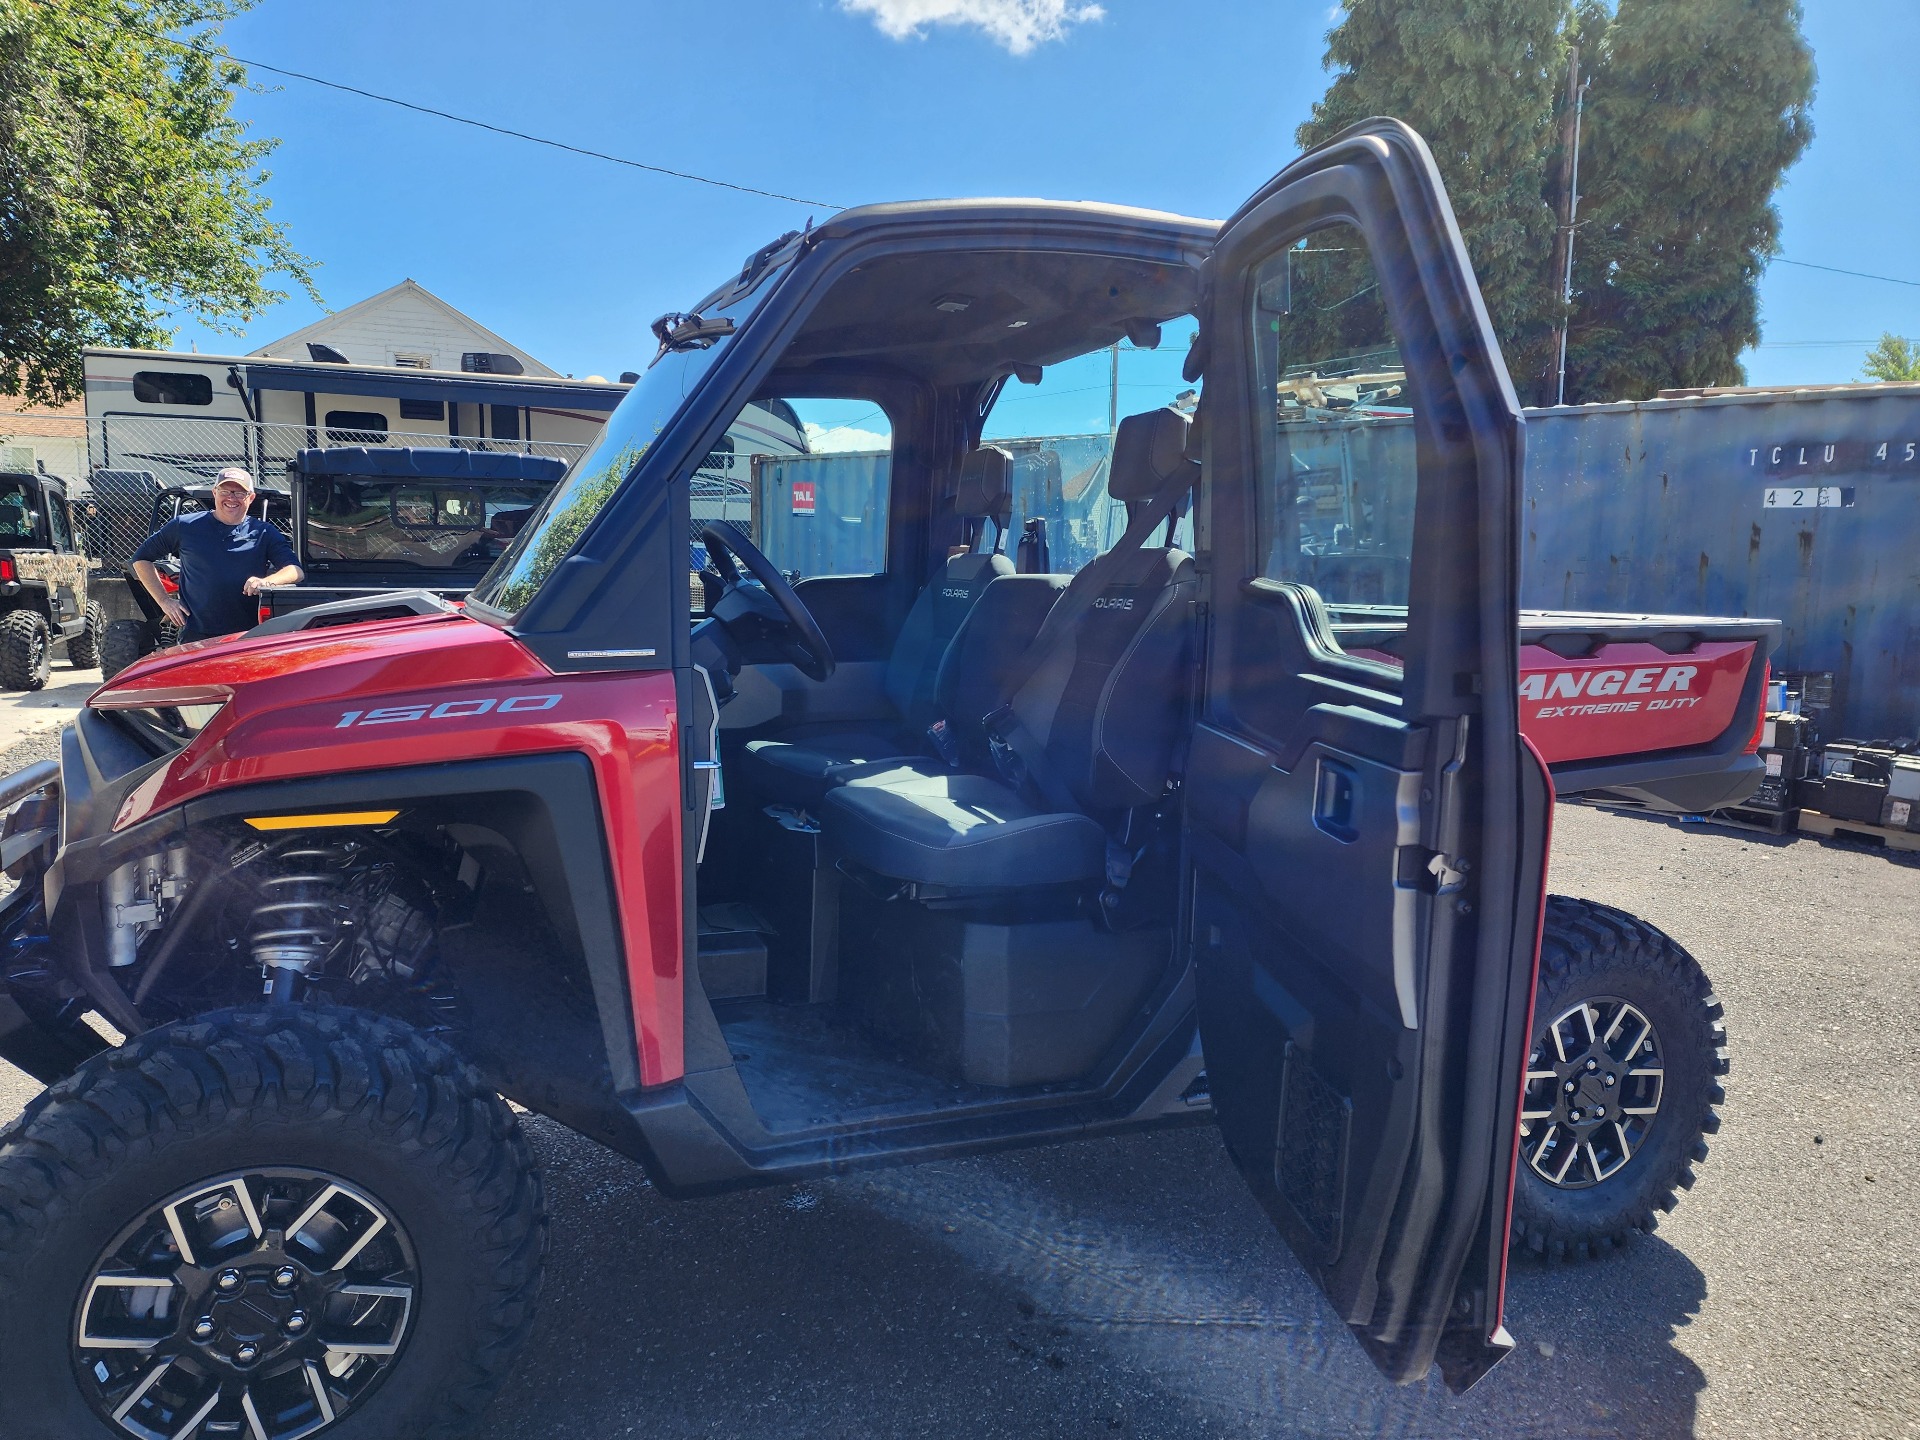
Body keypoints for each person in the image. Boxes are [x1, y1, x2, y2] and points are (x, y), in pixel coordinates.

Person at [131, 469, 303, 642]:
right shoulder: (184, 526)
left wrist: (265, 582)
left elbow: (295, 571)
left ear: (250, 498)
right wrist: (164, 601)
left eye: (239, 493)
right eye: (225, 491)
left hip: (247, 635)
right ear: (214, 493)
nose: (231, 498)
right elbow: (141, 559)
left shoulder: (264, 532)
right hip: (195, 634)